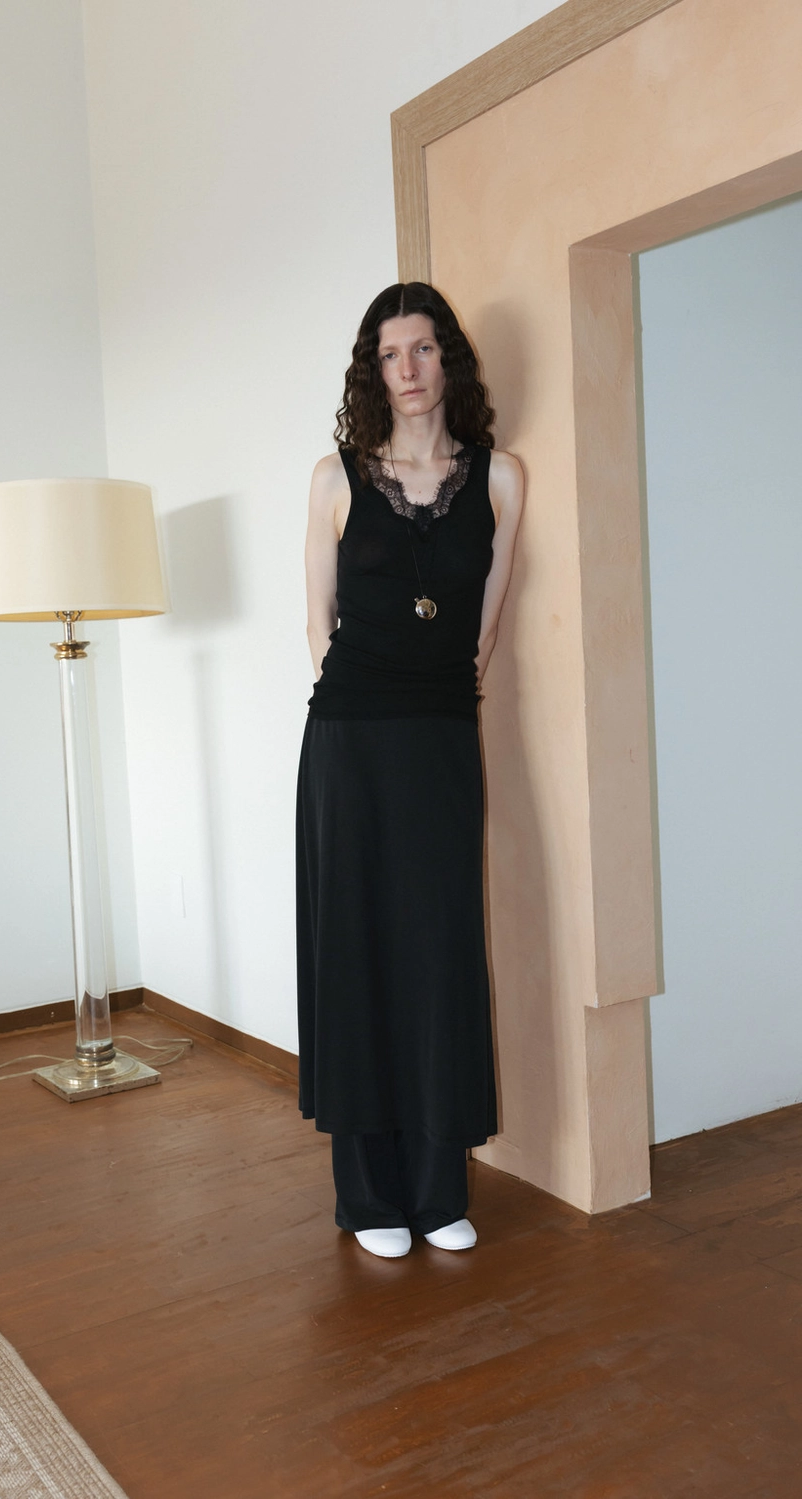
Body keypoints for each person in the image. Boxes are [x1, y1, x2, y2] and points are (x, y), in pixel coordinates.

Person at [296, 282, 524, 1259]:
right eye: (390, 354)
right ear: (373, 371)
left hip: (439, 737)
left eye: (423, 348)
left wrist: (435, 705)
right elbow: (318, 622)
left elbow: (485, 625)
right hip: (350, 740)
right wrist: (367, 707)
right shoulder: (335, 477)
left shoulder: (501, 477)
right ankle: (368, 1195)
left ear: (447, 359)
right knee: (358, 948)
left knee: (438, 947)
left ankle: (437, 1187)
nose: (409, 368)